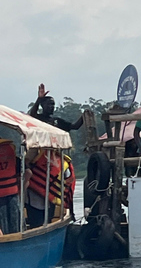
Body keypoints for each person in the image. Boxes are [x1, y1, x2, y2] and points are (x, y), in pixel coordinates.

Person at [27, 83, 81, 227]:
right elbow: (31, 116)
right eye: (49, 104)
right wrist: (38, 99)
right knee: (37, 190)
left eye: (53, 104)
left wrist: (85, 116)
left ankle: (61, 213)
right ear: (43, 106)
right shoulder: (38, 120)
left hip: (55, 160)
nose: (51, 107)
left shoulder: (57, 121)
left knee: (57, 189)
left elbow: (74, 126)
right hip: (39, 158)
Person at [0, 139, 21, 234]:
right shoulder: (12, 156)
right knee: (15, 220)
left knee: (3, 222)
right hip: (13, 192)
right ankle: (16, 237)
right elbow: (22, 172)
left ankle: (5, 238)